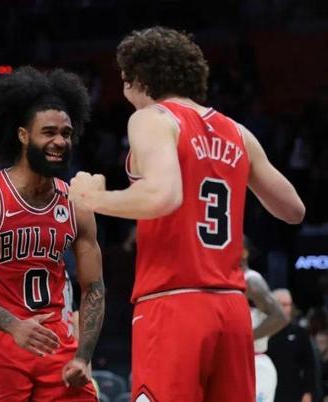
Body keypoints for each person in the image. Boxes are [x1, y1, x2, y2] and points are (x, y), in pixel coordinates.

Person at [68, 26, 305, 401]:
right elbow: (293, 210)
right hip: (232, 307)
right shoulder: (237, 131)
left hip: (174, 302)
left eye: (125, 78)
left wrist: (91, 198)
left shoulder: (152, 118)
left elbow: (163, 195)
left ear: (139, 78)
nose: (124, 88)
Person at [0, 66, 104, 401]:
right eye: (48, 132)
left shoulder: (77, 203)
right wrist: (13, 325)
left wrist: (83, 356)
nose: (60, 141)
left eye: (66, 133)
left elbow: (93, 288)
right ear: (22, 135)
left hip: (55, 342)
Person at [241, 239, 288, 402]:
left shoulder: (251, 279)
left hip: (256, 363)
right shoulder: (226, 279)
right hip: (237, 360)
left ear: (244, 252)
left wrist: (247, 338)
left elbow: (280, 317)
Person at [268, 289, 319, 402]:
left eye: (289, 304)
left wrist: (308, 392)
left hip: (294, 393)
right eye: (283, 304)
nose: (287, 308)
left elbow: (309, 366)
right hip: (270, 392)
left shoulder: (300, 333)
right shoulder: (265, 334)